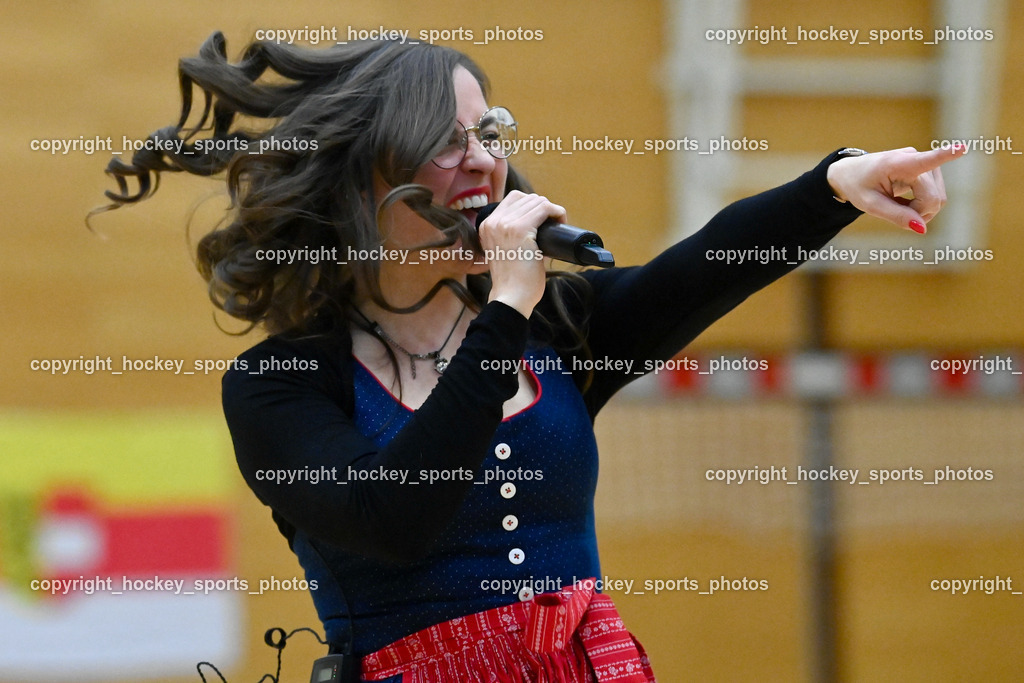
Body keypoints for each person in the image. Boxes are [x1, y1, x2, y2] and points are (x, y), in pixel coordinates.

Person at [98, 31, 962, 683]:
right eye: (446, 140)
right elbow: (395, 517)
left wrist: (836, 182)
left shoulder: (565, 324)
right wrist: (505, 305)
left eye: (490, 132)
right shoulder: (278, 385)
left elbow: (701, 268)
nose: (484, 163)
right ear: (364, 175)